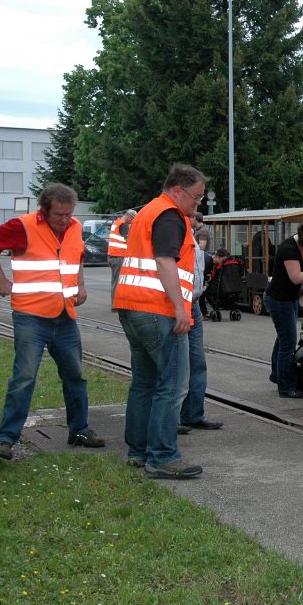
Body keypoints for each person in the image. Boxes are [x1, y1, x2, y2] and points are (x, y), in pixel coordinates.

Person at [0, 183, 105, 459]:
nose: (65, 220)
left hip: (64, 316)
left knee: (75, 374)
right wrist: (0, 277)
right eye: (59, 215)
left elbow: (77, 257)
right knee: (24, 376)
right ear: (44, 210)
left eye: (69, 214)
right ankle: (6, 438)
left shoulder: (73, 227)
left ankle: (79, 430)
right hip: (31, 316)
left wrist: (81, 285)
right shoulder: (22, 226)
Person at [114, 162, 206, 478]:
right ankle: (163, 457)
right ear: (177, 190)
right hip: (158, 310)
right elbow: (165, 262)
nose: (198, 203)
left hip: (132, 305)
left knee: (144, 382)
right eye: (195, 197)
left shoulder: (149, 212)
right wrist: (181, 309)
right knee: (173, 384)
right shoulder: (169, 216)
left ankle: (138, 451)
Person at [264, 220, 303, 398]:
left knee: (283, 338)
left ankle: (276, 375)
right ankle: (286, 387)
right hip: (278, 300)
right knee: (288, 343)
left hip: (289, 299)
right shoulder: (288, 249)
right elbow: (296, 277)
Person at [179, 212, 223, 432]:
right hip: (177, 304)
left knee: (197, 362)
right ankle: (171, 418)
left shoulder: (193, 236)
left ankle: (193, 414)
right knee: (175, 366)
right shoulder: (170, 230)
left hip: (193, 302)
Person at [107, 208, 136, 306]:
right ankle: (116, 304)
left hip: (112, 256)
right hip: (118, 256)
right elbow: (129, 240)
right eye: (132, 220)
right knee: (118, 281)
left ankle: (116, 302)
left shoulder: (116, 222)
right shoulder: (123, 225)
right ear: (129, 216)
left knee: (115, 280)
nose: (132, 222)